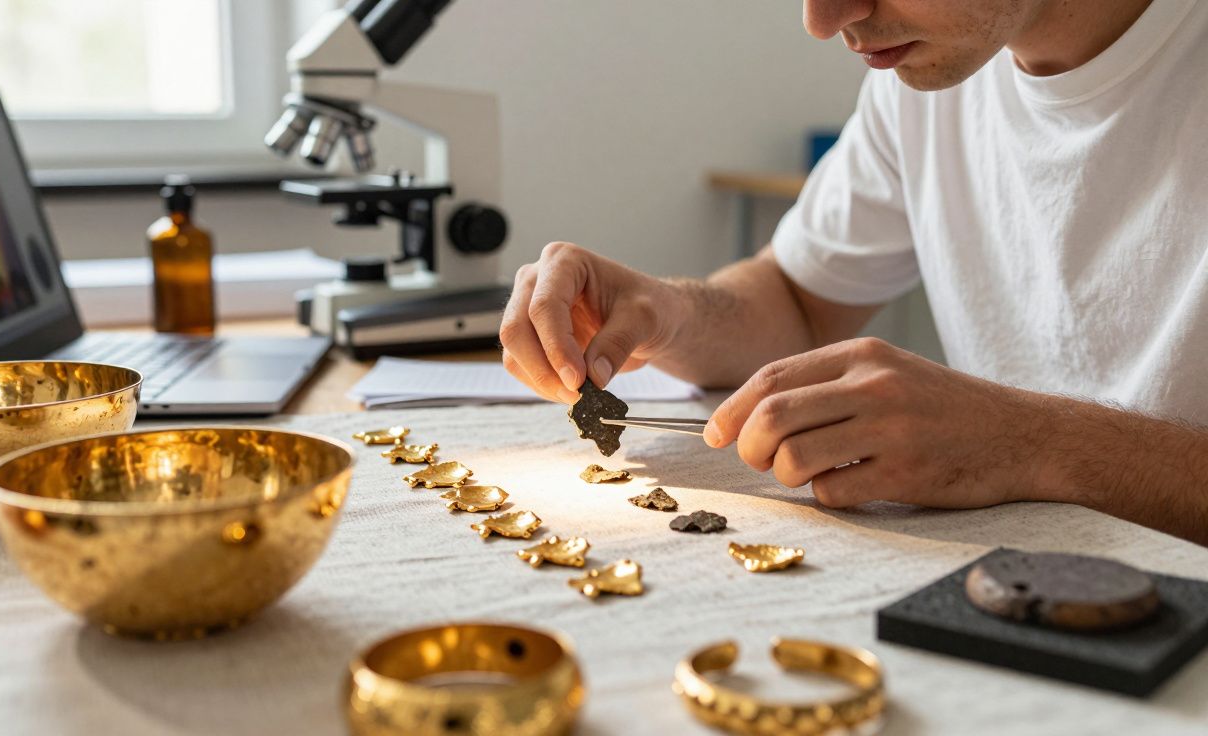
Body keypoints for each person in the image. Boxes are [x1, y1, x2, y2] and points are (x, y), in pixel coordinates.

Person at [499, 0, 1208, 544]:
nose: (822, 18)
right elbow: (799, 301)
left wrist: (1029, 444)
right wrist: (667, 311)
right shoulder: (928, 75)